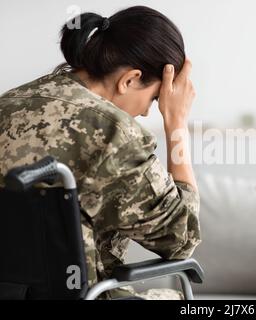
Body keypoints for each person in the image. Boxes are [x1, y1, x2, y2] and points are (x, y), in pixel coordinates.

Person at [0, 6, 200, 299]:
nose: (146, 112)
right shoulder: (115, 135)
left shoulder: (8, 103)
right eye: (155, 98)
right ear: (130, 79)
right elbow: (182, 239)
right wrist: (177, 123)